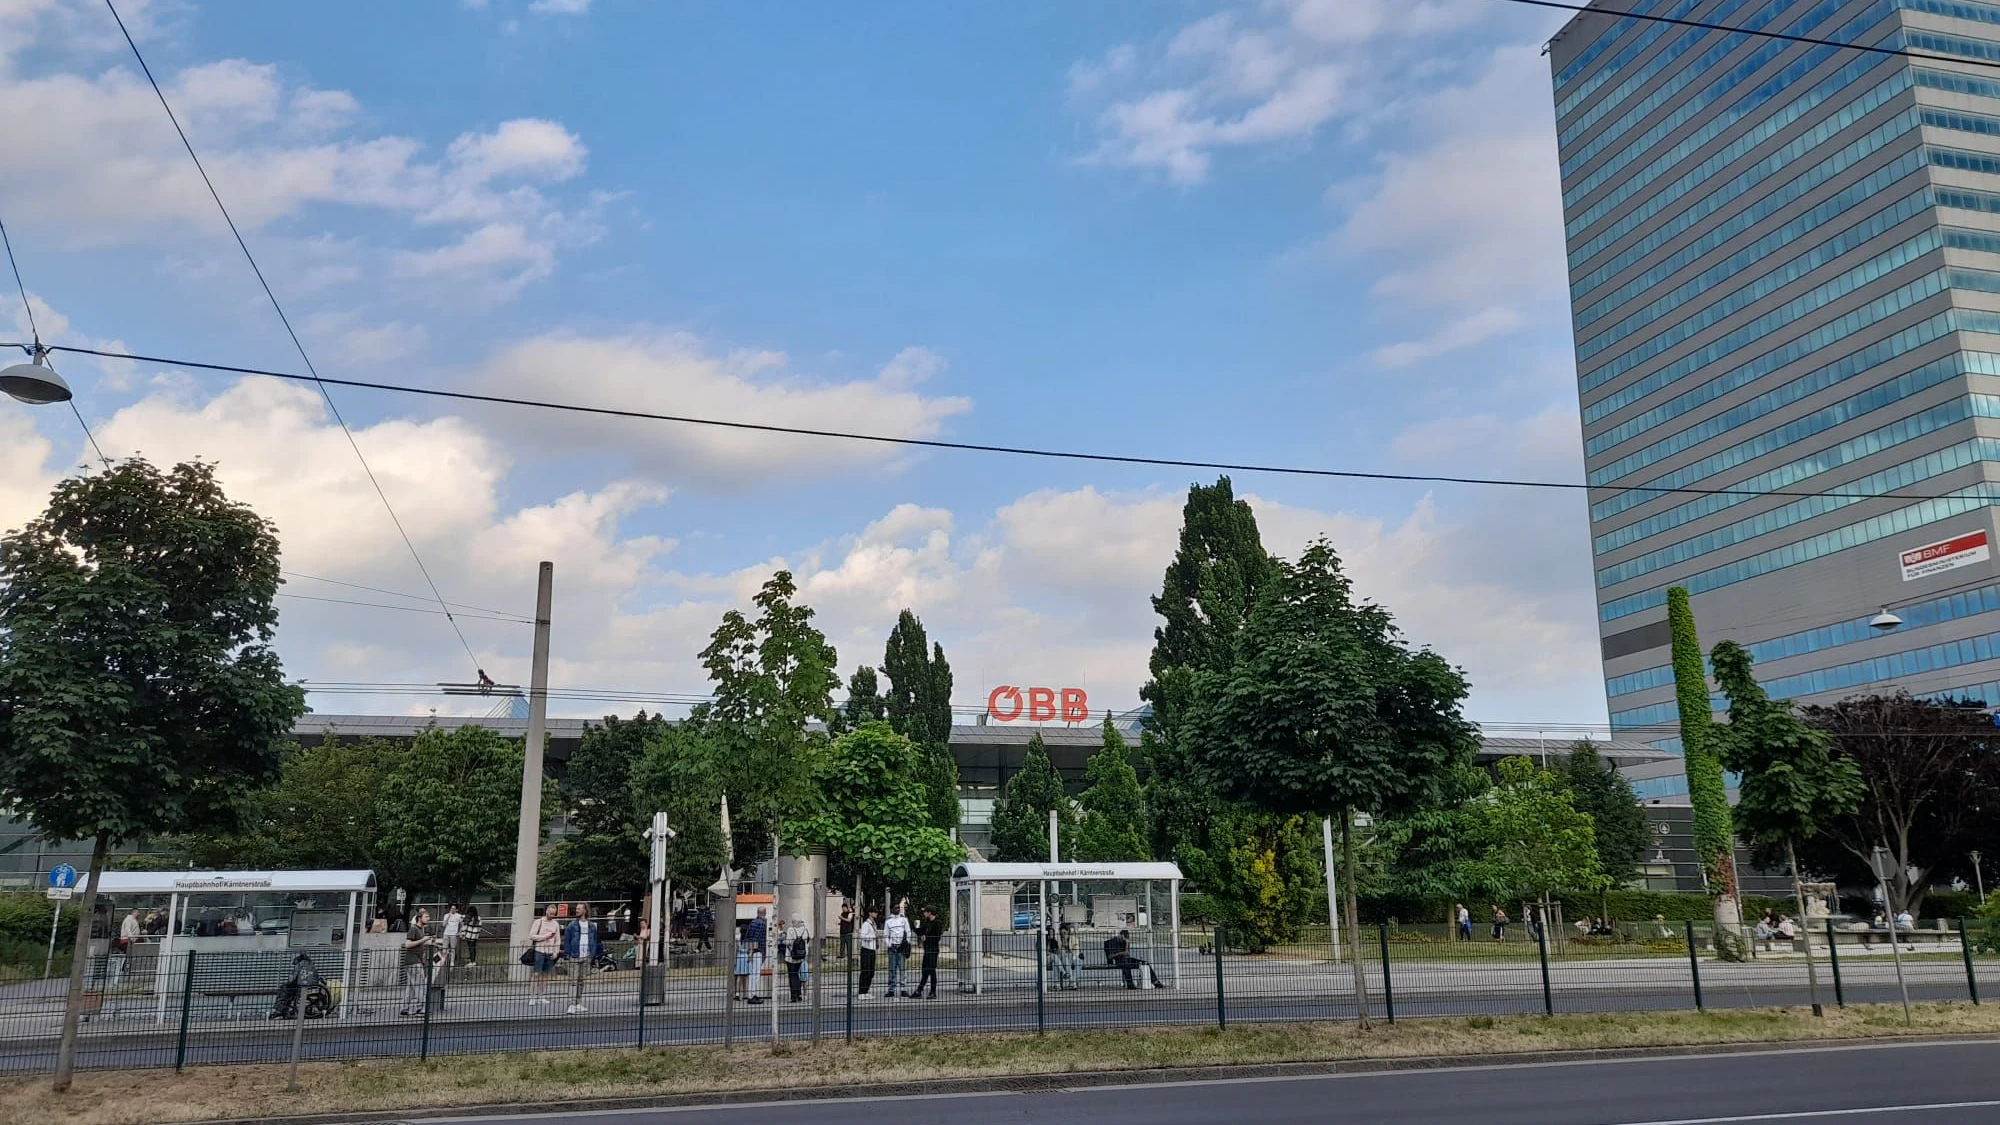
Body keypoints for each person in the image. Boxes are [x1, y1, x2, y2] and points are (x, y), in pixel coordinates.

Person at [562, 903, 600, 1014]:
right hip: (574, 955)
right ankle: (571, 1004)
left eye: (579, 909)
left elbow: (595, 940)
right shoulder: (572, 925)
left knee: (581, 981)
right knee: (573, 981)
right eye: (576, 909)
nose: (577, 910)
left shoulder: (591, 926)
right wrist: (567, 954)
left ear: (585, 910)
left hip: (586, 956)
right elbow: (567, 941)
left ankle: (578, 1002)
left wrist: (592, 954)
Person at [399, 909, 435, 1017]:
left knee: (411, 985)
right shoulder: (413, 929)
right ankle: (421, 1008)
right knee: (419, 984)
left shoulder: (421, 930)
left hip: (415, 960)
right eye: (426, 917)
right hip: (413, 961)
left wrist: (431, 943)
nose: (428, 919)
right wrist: (423, 940)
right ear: (419, 918)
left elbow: (421, 943)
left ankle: (405, 1008)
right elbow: (408, 944)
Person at [528, 905, 561, 1005]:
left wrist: (556, 951)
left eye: (553, 914)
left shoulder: (555, 924)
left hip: (550, 951)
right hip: (539, 950)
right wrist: (544, 937)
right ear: (546, 911)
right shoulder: (538, 922)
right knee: (536, 974)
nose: (552, 915)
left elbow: (557, 939)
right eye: (550, 913)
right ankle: (532, 996)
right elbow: (531, 936)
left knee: (545, 975)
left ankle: (542, 995)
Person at [883, 902, 912, 999]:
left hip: (902, 947)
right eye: (896, 908)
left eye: (899, 908)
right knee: (892, 969)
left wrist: (906, 943)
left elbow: (908, 932)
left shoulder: (904, 920)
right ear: (891, 909)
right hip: (892, 948)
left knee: (903, 969)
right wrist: (890, 945)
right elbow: (886, 935)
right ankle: (891, 989)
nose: (898, 909)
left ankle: (903, 989)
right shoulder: (888, 922)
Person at [914, 906, 944, 999]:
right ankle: (919, 990)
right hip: (927, 950)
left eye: (925, 912)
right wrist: (914, 927)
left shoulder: (937, 923)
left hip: (933, 950)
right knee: (925, 971)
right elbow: (920, 931)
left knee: (931, 970)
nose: (924, 914)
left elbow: (937, 937)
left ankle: (932, 991)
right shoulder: (927, 923)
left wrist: (927, 938)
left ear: (930, 912)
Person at [745, 907, 769, 1004]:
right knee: (755, 974)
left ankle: (752, 994)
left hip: (753, 951)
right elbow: (756, 938)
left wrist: (749, 951)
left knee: (753, 974)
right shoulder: (761, 923)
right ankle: (751, 995)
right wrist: (752, 951)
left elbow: (748, 937)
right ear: (764, 913)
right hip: (757, 951)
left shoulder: (753, 922)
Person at [856, 909, 880, 999]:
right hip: (866, 949)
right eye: (874, 912)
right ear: (870, 913)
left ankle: (866, 991)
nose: (876, 913)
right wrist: (873, 936)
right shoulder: (866, 924)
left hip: (872, 950)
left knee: (871, 972)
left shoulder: (874, 924)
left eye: (876, 912)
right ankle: (861, 992)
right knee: (865, 971)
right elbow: (863, 936)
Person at [784, 917, 810, 1002]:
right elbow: (807, 941)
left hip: (791, 957)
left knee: (792, 976)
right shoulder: (805, 930)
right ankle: (799, 994)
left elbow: (787, 942)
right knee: (797, 975)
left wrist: (785, 944)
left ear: (793, 922)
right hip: (801, 957)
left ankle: (793, 996)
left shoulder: (790, 930)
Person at [1048, 923, 1079, 990]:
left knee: (1056, 963)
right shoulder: (1055, 940)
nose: (1063, 935)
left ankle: (1057, 985)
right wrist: (1060, 940)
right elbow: (1058, 950)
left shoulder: (1072, 938)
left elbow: (1076, 951)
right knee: (1058, 959)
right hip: (1059, 959)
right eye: (1061, 933)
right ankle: (1071, 981)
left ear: (1068, 932)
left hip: (1069, 957)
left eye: (1064, 933)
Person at [440, 904, 463, 968]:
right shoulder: (446, 915)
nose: (452, 909)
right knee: (444, 948)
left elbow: (462, 924)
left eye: (454, 908)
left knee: (453, 948)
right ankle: (443, 960)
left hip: (454, 934)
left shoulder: (459, 916)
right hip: (446, 933)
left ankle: (452, 962)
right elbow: (443, 924)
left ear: (456, 909)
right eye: (451, 908)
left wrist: (460, 932)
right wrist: (448, 917)